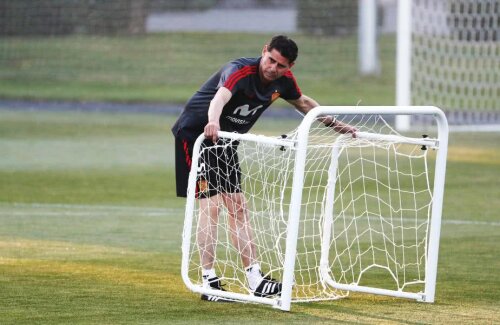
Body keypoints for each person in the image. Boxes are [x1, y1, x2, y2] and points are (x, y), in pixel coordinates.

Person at [172, 35, 356, 302]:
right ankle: (208, 281)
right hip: (196, 137)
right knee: (211, 207)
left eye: (281, 65)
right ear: (264, 52)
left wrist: (338, 126)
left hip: (226, 142)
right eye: (271, 60)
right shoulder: (239, 71)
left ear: (289, 67)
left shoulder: (284, 82)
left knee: (238, 205)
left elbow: (304, 104)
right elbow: (219, 99)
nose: (273, 68)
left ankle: (255, 279)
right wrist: (212, 122)